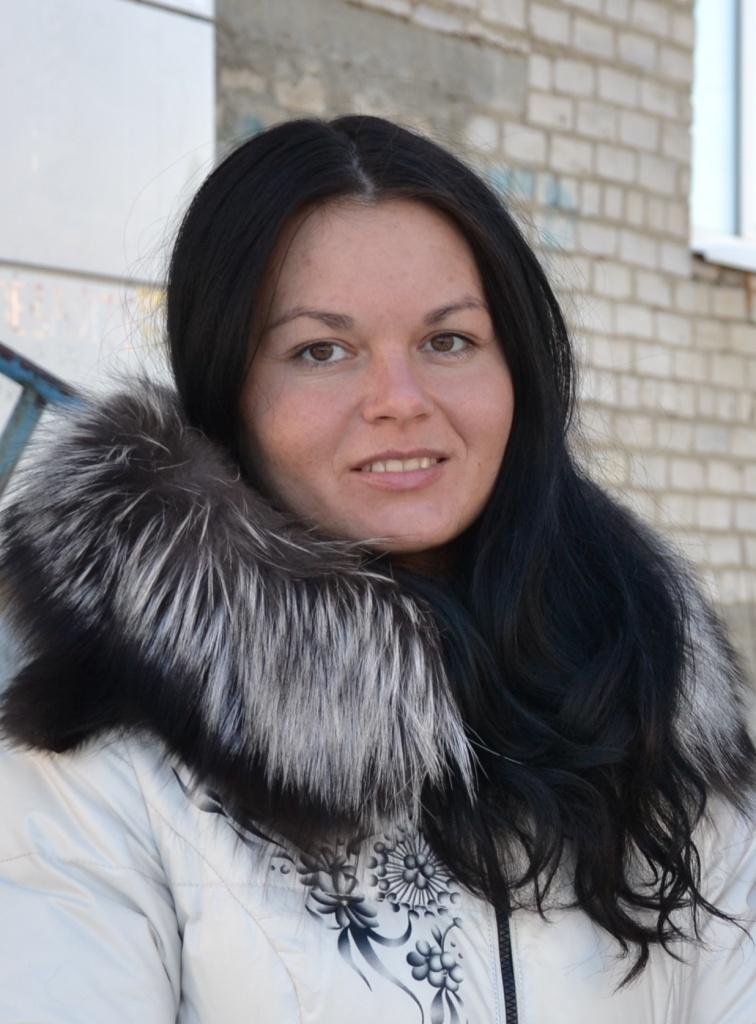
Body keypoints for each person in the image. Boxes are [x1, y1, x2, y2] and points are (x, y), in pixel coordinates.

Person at [0, 114, 753, 1023]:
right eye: (321, 351)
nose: (400, 400)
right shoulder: (111, 754)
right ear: (229, 392)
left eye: (449, 341)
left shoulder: (653, 693)